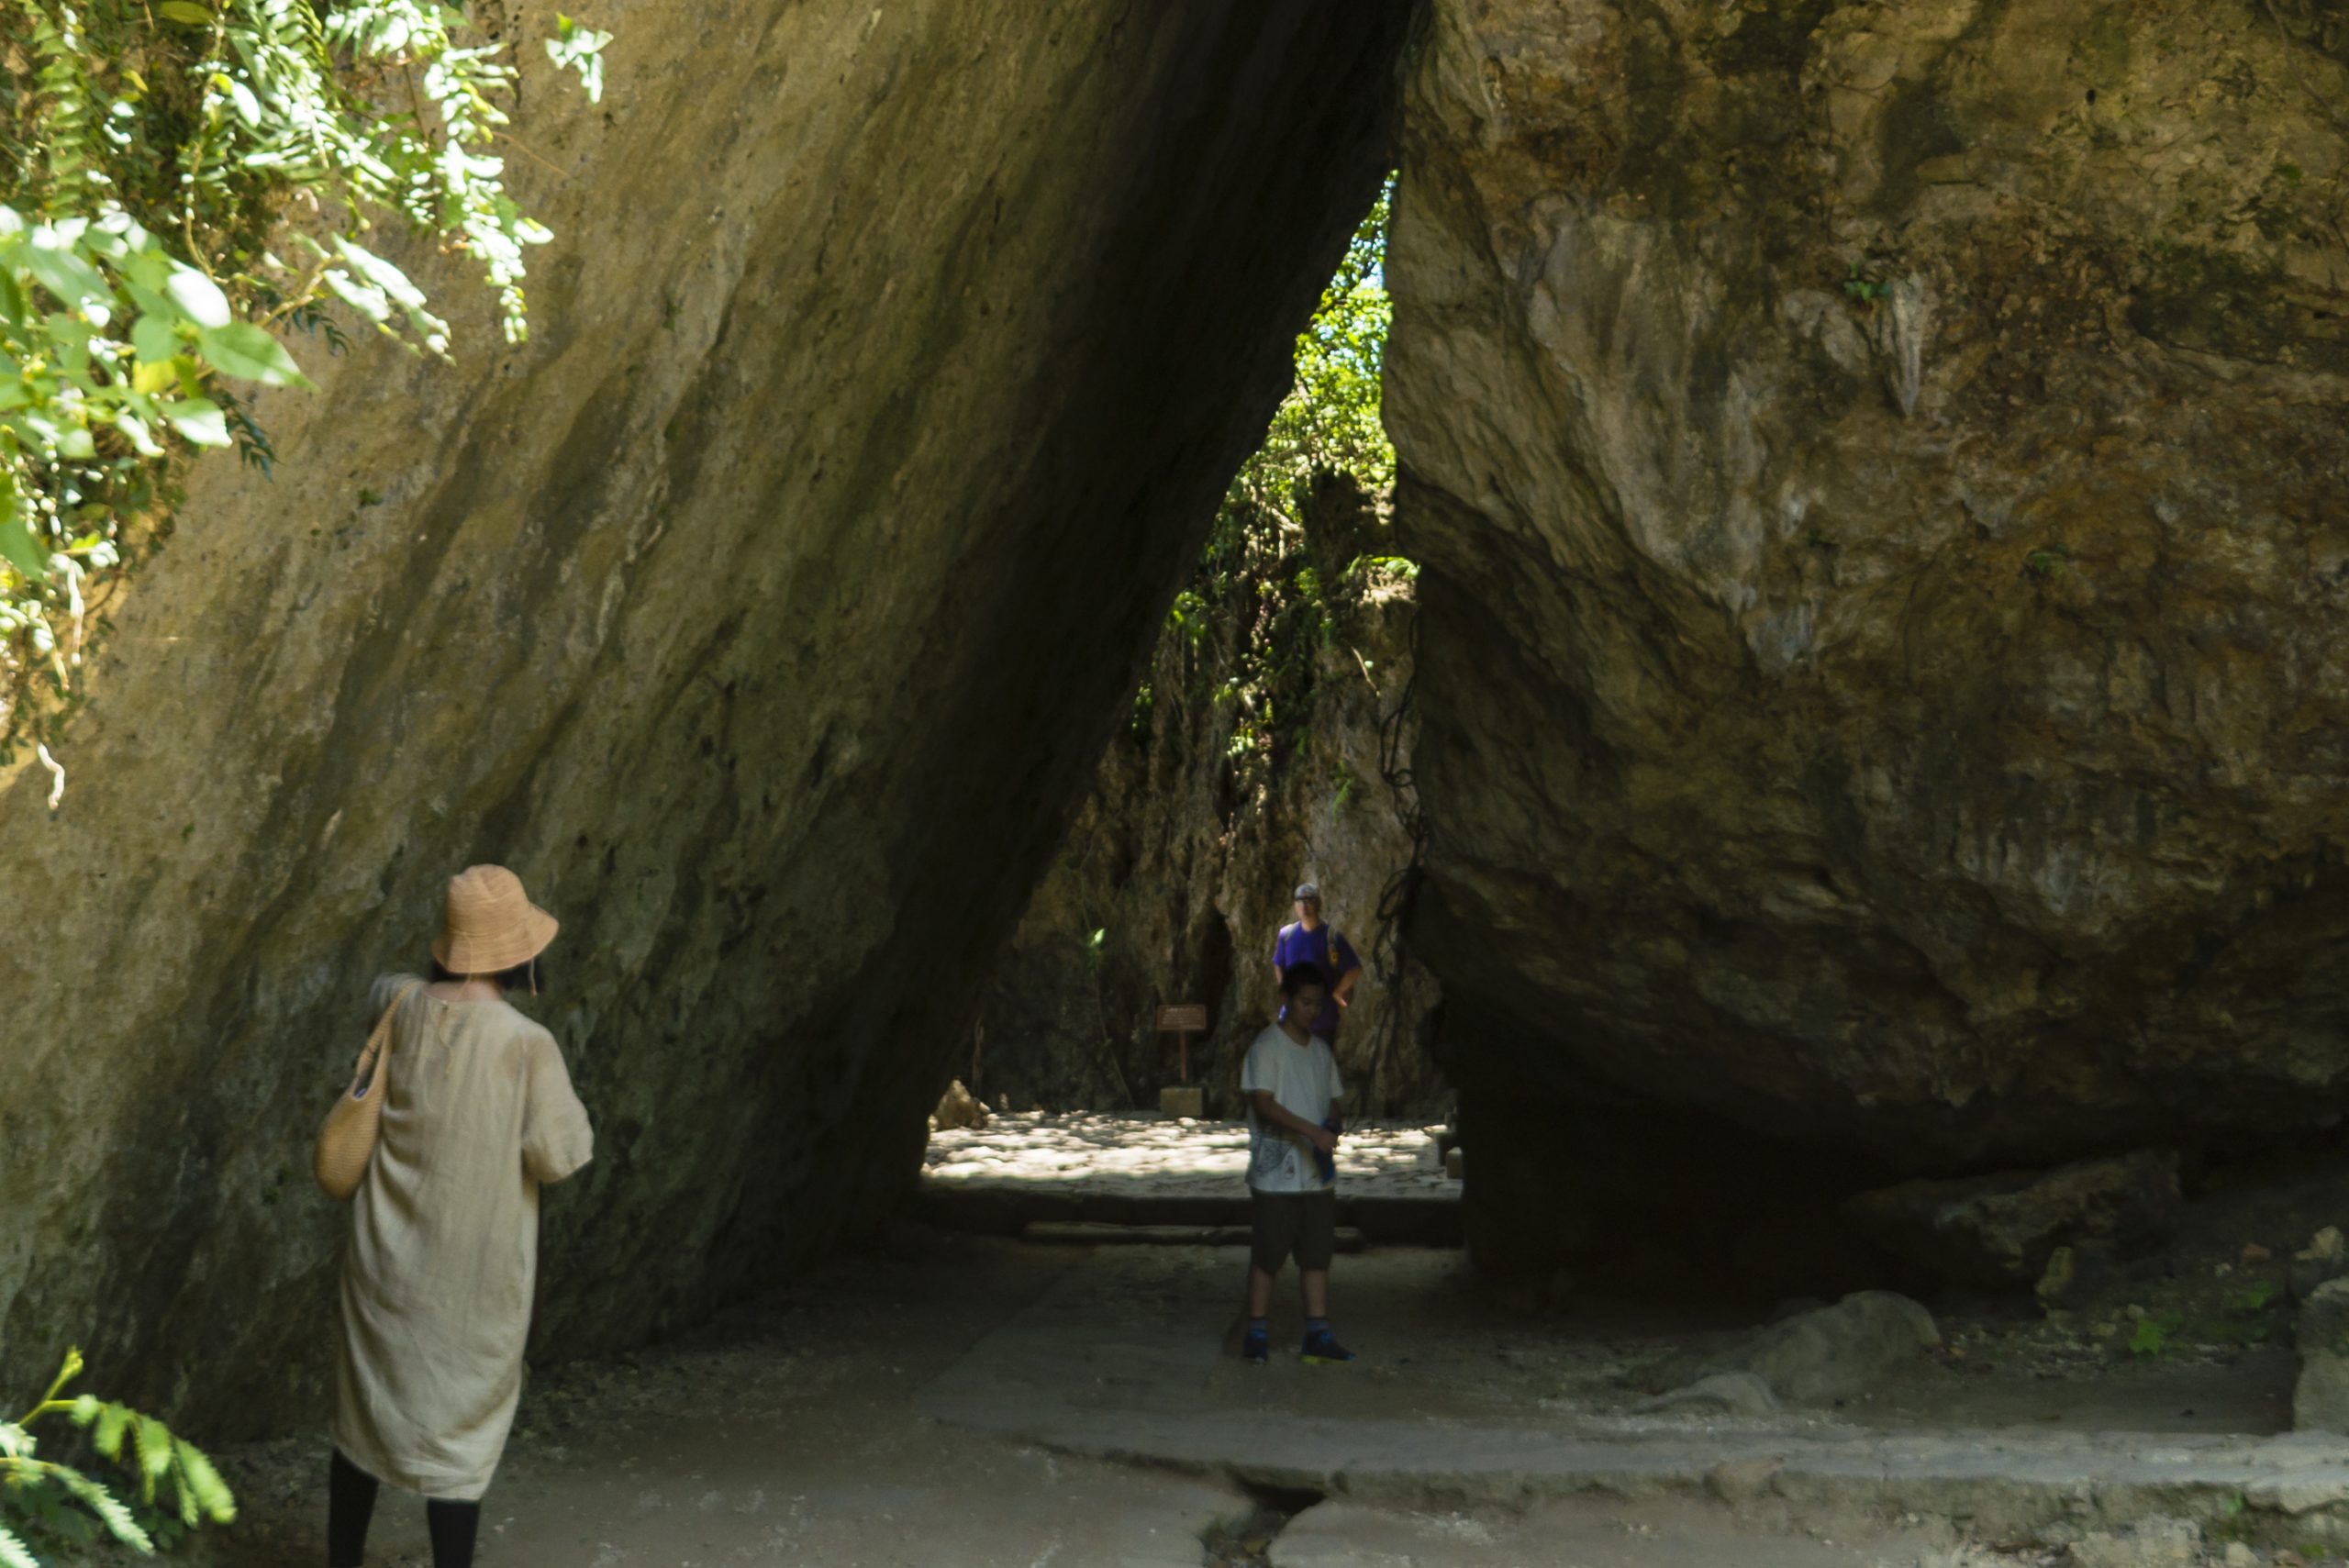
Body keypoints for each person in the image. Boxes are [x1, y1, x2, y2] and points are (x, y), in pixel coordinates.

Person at [330, 864, 594, 1568]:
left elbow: (386, 986)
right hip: (470, 1274)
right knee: (459, 1429)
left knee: (366, 1412)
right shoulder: (525, 1044)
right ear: (520, 950)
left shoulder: (406, 1005)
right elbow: (560, 1154)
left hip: (382, 1258)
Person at [1239, 962, 1355, 1365]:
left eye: (1317, 1005)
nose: (1311, 1011)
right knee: (1268, 1257)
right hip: (1275, 1178)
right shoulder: (1267, 1047)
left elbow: (1334, 1098)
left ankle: (1317, 1333)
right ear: (1286, 1000)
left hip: (1316, 1176)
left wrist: (1334, 1124)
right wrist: (1311, 1131)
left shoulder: (1321, 1052)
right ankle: (1256, 1332)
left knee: (1317, 1256)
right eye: (1305, 1002)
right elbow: (1263, 1103)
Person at [1271, 882, 1360, 1043]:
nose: (1304, 905)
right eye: (1300, 900)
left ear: (1318, 903)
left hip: (1322, 1019)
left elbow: (1354, 969)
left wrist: (1338, 992)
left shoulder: (1331, 937)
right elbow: (1278, 963)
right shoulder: (1286, 935)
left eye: (1309, 899)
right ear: (1294, 905)